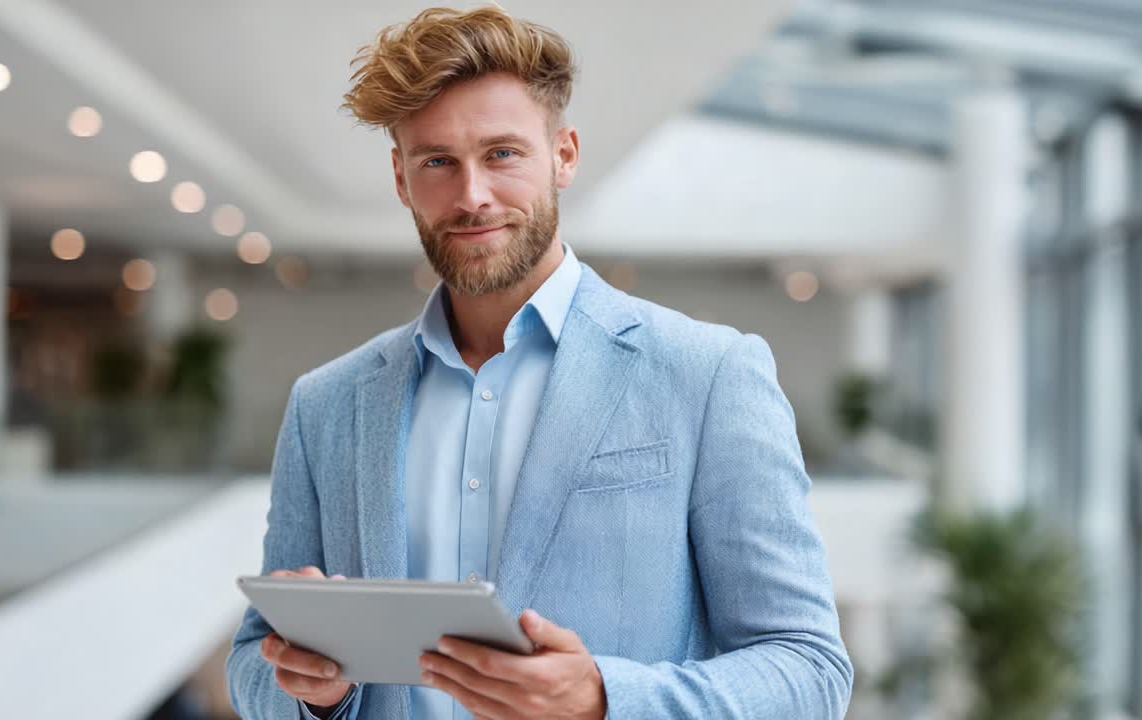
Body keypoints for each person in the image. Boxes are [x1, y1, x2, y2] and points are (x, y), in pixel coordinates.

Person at [226, 7, 852, 719]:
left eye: (502, 154)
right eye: (437, 162)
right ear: (401, 178)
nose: (472, 196)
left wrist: (604, 699)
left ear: (564, 154)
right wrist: (316, 694)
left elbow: (809, 671)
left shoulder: (708, 375)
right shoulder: (326, 404)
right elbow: (253, 661)